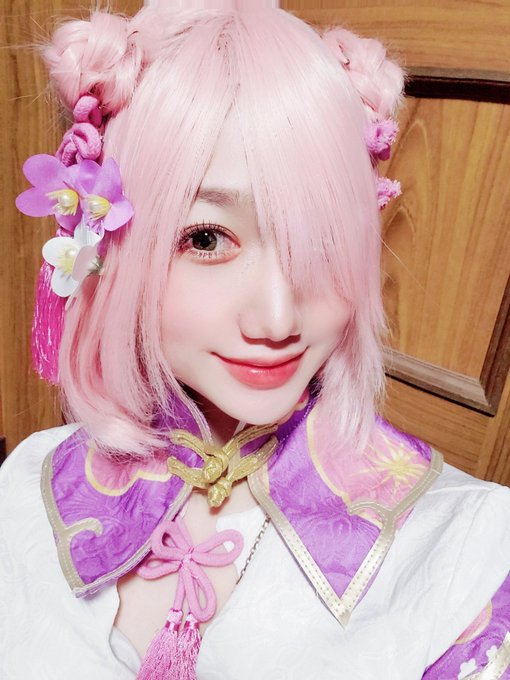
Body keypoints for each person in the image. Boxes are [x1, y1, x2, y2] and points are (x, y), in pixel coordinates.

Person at [1, 4, 509, 679]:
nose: (276, 319)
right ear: (108, 243)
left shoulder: (466, 553)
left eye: (321, 241)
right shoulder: (27, 486)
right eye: (207, 238)